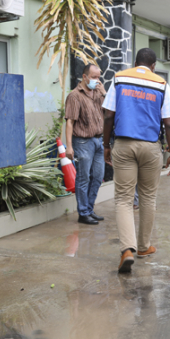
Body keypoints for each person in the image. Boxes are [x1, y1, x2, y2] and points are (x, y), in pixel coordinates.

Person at [102, 48, 170, 273]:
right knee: (147, 197)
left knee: (124, 199)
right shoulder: (161, 84)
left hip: (124, 144)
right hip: (151, 147)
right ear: (153, 66)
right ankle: (143, 247)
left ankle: (127, 249)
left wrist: (106, 145)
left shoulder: (119, 78)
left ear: (135, 63)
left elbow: (108, 116)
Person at [64, 64, 107, 225]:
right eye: (94, 77)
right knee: (83, 178)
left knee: (98, 176)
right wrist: (69, 146)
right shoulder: (75, 96)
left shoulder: (98, 93)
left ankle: (89, 209)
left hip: (98, 140)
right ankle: (83, 212)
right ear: (85, 77)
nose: (97, 80)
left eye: (99, 77)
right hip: (82, 141)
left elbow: (109, 112)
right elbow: (70, 122)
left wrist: (104, 93)